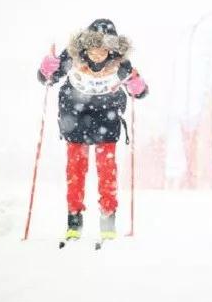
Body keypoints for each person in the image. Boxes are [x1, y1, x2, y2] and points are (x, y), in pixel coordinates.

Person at [38, 19, 148, 242]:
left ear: (113, 49)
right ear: (85, 46)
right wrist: (46, 70)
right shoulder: (70, 57)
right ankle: (74, 220)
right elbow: (48, 79)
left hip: (106, 116)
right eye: (93, 47)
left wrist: (138, 87)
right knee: (75, 171)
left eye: (104, 49)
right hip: (75, 115)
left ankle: (108, 219)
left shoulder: (121, 64)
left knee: (107, 171)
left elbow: (140, 91)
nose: (98, 54)